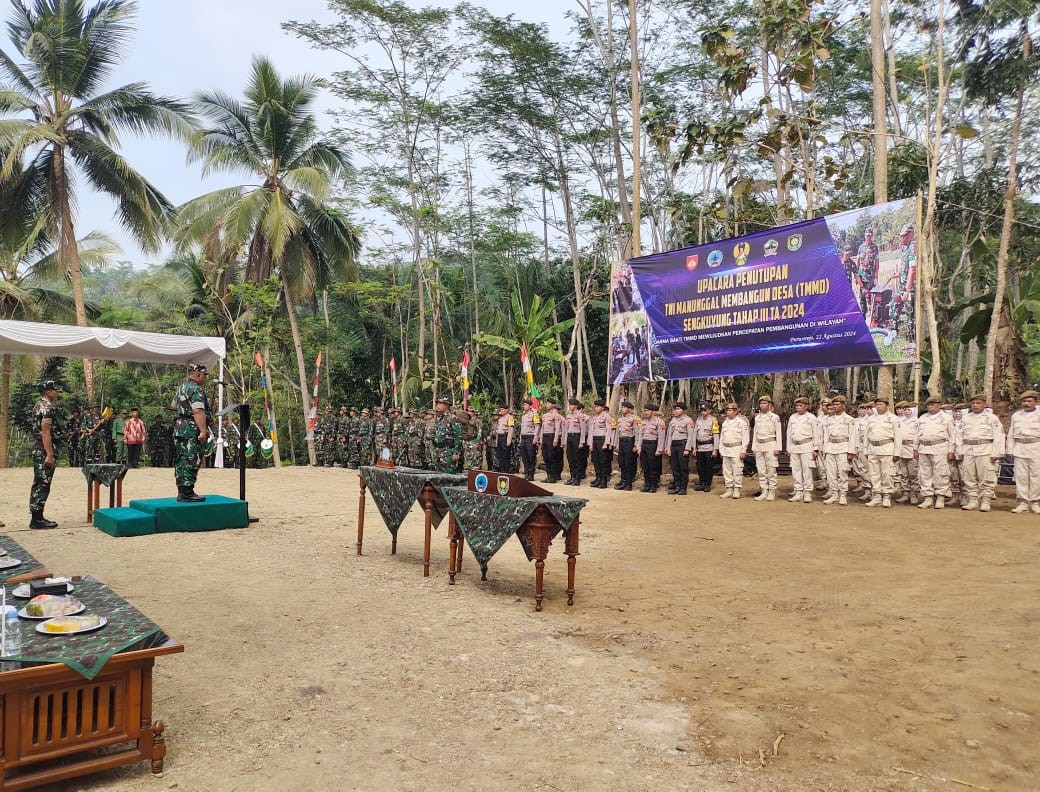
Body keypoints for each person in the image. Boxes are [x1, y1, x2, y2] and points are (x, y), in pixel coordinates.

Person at [955, 394, 1004, 512]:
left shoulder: (991, 418)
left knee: (986, 476)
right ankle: (972, 500)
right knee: (968, 476)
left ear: (984, 404)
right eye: (973, 403)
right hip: (968, 449)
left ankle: (986, 500)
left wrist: (996, 452)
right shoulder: (966, 418)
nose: (975, 405)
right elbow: (959, 435)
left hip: (985, 449)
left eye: (978, 403)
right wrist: (959, 451)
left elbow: (999, 435)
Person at [171, 363, 211, 502]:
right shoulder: (196, 389)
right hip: (191, 428)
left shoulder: (181, 387)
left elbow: (173, 405)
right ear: (198, 375)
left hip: (179, 427)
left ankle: (182, 491)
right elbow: (198, 411)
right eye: (204, 376)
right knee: (192, 459)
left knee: (181, 459)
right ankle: (187, 492)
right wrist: (203, 431)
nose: (205, 379)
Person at [29, 379, 61, 529]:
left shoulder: (37, 405)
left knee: (38, 483)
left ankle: (37, 517)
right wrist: (49, 454)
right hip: (43, 449)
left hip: (38, 447)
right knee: (43, 483)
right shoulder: (47, 407)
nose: (57, 392)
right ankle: (37, 519)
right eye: (55, 389)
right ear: (48, 392)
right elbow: (46, 432)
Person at [915, 395, 955, 509]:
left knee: (941, 473)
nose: (930, 407)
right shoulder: (922, 418)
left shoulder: (946, 418)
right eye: (928, 405)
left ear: (939, 405)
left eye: (933, 405)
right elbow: (917, 434)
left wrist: (951, 450)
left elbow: (952, 435)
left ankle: (940, 497)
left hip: (940, 447)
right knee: (924, 473)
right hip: (924, 447)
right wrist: (915, 448)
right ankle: (928, 497)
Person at [864, 396, 901, 508]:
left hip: (887, 448)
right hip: (873, 448)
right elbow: (866, 435)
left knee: (887, 473)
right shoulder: (871, 419)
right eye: (877, 404)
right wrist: (865, 449)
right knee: (874, 474)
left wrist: (897, 452)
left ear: (887, 405)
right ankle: (876, 496)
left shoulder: (893, 418)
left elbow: (898, 436)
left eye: (881, 404)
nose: (879, 406)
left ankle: (886, 496)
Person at [1007, 390, 1040, 514]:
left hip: (1036, 446)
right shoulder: (1016, 415)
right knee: (1021, 476)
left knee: (1036, 476)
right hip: (1020, 447)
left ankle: (1035, 502)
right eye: (1024, 401)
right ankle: (1023, 502)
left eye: (1029, 401)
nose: (1026, 403)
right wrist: (1010, 448)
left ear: (1036, 402)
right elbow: (1011, 433)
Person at [821, 396, 857, 505]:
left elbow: (853, 436)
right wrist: (825, 449)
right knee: (831, 473)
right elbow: (826, 435)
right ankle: (834, 494)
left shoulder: (849, 419)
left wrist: (851, 452)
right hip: (831, 447)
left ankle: (842, 495)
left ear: (843, 405)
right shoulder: (828, 419)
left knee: (842, 472)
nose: (835, 407)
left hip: (843, 447)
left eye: (837, 404)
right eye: (834, 405)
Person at [786, 396, 820, 503]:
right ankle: (798, 491)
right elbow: (789, 433)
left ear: (806, 406)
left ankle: (807, 492)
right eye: (797, 405)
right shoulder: (792, 417)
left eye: (800, 405)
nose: (798, 407)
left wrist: (815, 448)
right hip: (795, 446)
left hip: (807, 445)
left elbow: (816, 433)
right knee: (796, 470)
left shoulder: (811, 417)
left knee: (807, 470)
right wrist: (789, 448)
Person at [752, 395, 782, 501]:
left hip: (770, 444)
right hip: (759, 445)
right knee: (761, 470)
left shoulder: (774, 417)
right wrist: (754, 446)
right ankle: (764, 491)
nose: (762, 405)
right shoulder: (757, 417)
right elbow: (755, 433)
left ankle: (772, 491)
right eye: (761, 403)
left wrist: (778, 447)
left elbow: (778, 432)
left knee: (771, 469)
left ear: (769, 405)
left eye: (765, 403)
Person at [719, 403, 750, 499]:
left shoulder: (741, 422)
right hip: (726, 448)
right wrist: (721, 449)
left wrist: (743, 450)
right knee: (726, 470)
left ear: (736, 411)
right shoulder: (725, 423)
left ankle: (737, 489)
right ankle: (729, 489)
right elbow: (722, 437)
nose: (728, 412)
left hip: (737, 448)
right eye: (727, 410)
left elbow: (745, 437)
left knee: (737, 470)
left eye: (730, 410)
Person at [663, 402, 694, 495]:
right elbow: (669, 435)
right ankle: (677, 486)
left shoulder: (688, 420)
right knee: (675, 467)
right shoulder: (673, 420)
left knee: (683, 467)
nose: (676, 411)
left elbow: (690, 436)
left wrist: (687, 449)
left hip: (682, 445)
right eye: (675, 409)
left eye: (678, 409)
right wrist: (668, 448)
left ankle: (683, 487)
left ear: (683, 410)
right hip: (674, 445)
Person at [635, 402, 666, 493]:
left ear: (653, 412)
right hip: (644, 444)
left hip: (653, 444)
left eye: (648, 411)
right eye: (645, 411)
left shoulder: (659, 422)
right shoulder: (643, 422)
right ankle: (647, 484)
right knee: (645, 466)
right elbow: (641, 435)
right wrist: (639, 447)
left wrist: (659, 449)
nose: (646, 412)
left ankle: (653, 485)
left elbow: (661, 436)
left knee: (653, 466)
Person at [894, 401, 921, 505]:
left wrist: (916, 449)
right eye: (905, 410)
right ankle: (905, 493)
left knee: (913, 473)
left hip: (911, 449)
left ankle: (914, 494)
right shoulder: (900, 421)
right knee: (904, 474)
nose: (907, 412)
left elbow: (918, 436)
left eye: (909, 410)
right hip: (901, 449)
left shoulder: (917, 422)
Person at [693, 403, 719, 492]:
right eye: (702, 410)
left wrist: (715, 449)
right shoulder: (698, 420)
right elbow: (694, 434)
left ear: (709, 410)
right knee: (700, 467)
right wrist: (694, 447)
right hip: (699, 447)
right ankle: (702, 482)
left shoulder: (713, 420)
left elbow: (716, 435)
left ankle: (708, 484)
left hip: (709, 447)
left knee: (708, 467)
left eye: (705, 410)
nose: (703, 412)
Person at [588, 399, 614, 488]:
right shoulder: (594, 417)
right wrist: (590, 443)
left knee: (603, 461)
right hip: (595, 440)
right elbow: (591, 431)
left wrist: (606, 443)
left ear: (602, 407)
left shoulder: (606, 416)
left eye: (598, 406)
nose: (596, 408)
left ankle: (603, 481)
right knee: (596, 461)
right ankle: (598, 479)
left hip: (602, 439)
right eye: (595, 406)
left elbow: (608, 430)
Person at [612, 400, 638, 491]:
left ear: (629, 409)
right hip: (622, 442)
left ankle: (628, 483)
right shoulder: (620, 419)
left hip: (629, 442)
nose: (622, 409)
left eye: (624, 407)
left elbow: (637, 433)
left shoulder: (635, 419)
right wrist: (617, 445)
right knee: (622, 463)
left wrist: (636, 445)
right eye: (622, 407)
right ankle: (623, 481)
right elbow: (618, 434)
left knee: (628, 463)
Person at [431, 396, 462, 473]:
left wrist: (456, 453)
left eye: (440, 403)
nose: (437, 406)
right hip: (438, 452)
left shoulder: (452, 418)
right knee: (438, 476)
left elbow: (458, 437)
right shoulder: (439, 418)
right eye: (437, 403)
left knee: (449, 476)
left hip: (448, 452)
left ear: (447, 405)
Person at [564, 398, 589, 485]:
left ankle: (577, 478)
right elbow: (566, 429)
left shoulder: (580, 415)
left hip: (577, 437)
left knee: (577, 458)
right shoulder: (568, 415)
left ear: (575, 406)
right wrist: (565, 441)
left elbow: (583, 429)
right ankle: (572, 477)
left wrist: (582, 441)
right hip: (570, 437)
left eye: (571, 405)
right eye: (569, 405)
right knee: (570, 458)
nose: (570, 406)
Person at [540, 398, 564, 483]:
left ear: (553, 405)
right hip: (545, 437)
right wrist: (541, 438)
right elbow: (542, 428)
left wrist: (555, 439)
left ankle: (553, 477)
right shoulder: (545, 415)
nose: (547, 405)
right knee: (546, 457)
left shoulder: (556, 415)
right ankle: (548, 475)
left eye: (549, 403)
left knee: (552, 457)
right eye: (547, 403)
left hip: (551, 436)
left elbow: (557, 428)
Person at [518, 397, 541, 480]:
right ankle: (527, 473)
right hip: (523, 437)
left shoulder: (534, 414)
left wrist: (535, 438)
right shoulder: (523, 415)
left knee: (531, 456)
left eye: (526, 405)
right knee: (524, 457)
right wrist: (520, 439)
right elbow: (522, 428)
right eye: (523, 405)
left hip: (530, 437)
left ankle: (531, 474)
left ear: (530, 406)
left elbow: (537, 426)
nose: (524, 406)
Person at [492, 404, 514, 473]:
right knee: (500, 455)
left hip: (505, 437)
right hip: (499, 437)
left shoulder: (510, 418)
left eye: (502, 409)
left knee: (505, 455)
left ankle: (506, 470)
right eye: (500, 409)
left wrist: (509, 440)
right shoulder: (500, 418)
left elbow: (511, 429)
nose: (501, 411)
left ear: (507, 410)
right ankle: (502, 470)